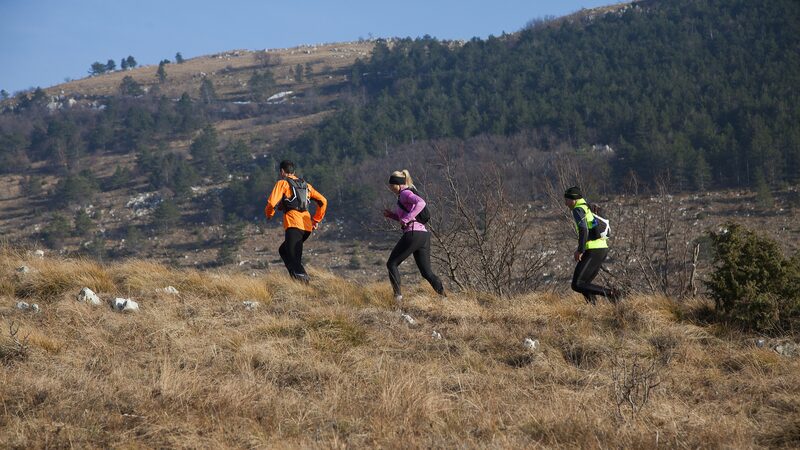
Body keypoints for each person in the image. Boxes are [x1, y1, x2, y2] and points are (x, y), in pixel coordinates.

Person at [383, 169, 445, 303]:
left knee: (392, 263)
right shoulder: (402, 196)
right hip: (423, 236)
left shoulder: (405, 193)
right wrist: (392, 216)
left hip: (413, 233)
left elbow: (421, 203)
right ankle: (443, 298)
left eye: (391, 185)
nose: (390, 188)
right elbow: (405, 216)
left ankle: (398, 298)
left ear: (397, 184)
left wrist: (407, 219)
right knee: (426, 272)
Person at [265, 160, 327, 283]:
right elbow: (323, 201)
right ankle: (296, 281)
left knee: (294, 258)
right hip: (306, 227)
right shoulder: (306, 186)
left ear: (282, 171)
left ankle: (304, 285)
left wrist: (269, 214)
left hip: (294, 225)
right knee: (283, 250)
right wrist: (316, 220)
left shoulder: (282, 183)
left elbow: (272, 203)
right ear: (294, 171)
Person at [564, 186, 619, 305]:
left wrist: (580, 250)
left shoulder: (578, 209)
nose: (565, 203)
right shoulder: (588, 207)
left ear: (573, 199)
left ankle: (611, 293)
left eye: (567, 200)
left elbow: (583, 230)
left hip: (593, 249)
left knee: (577, 284)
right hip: (601, 248)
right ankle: (593, 308)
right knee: (585, 284)